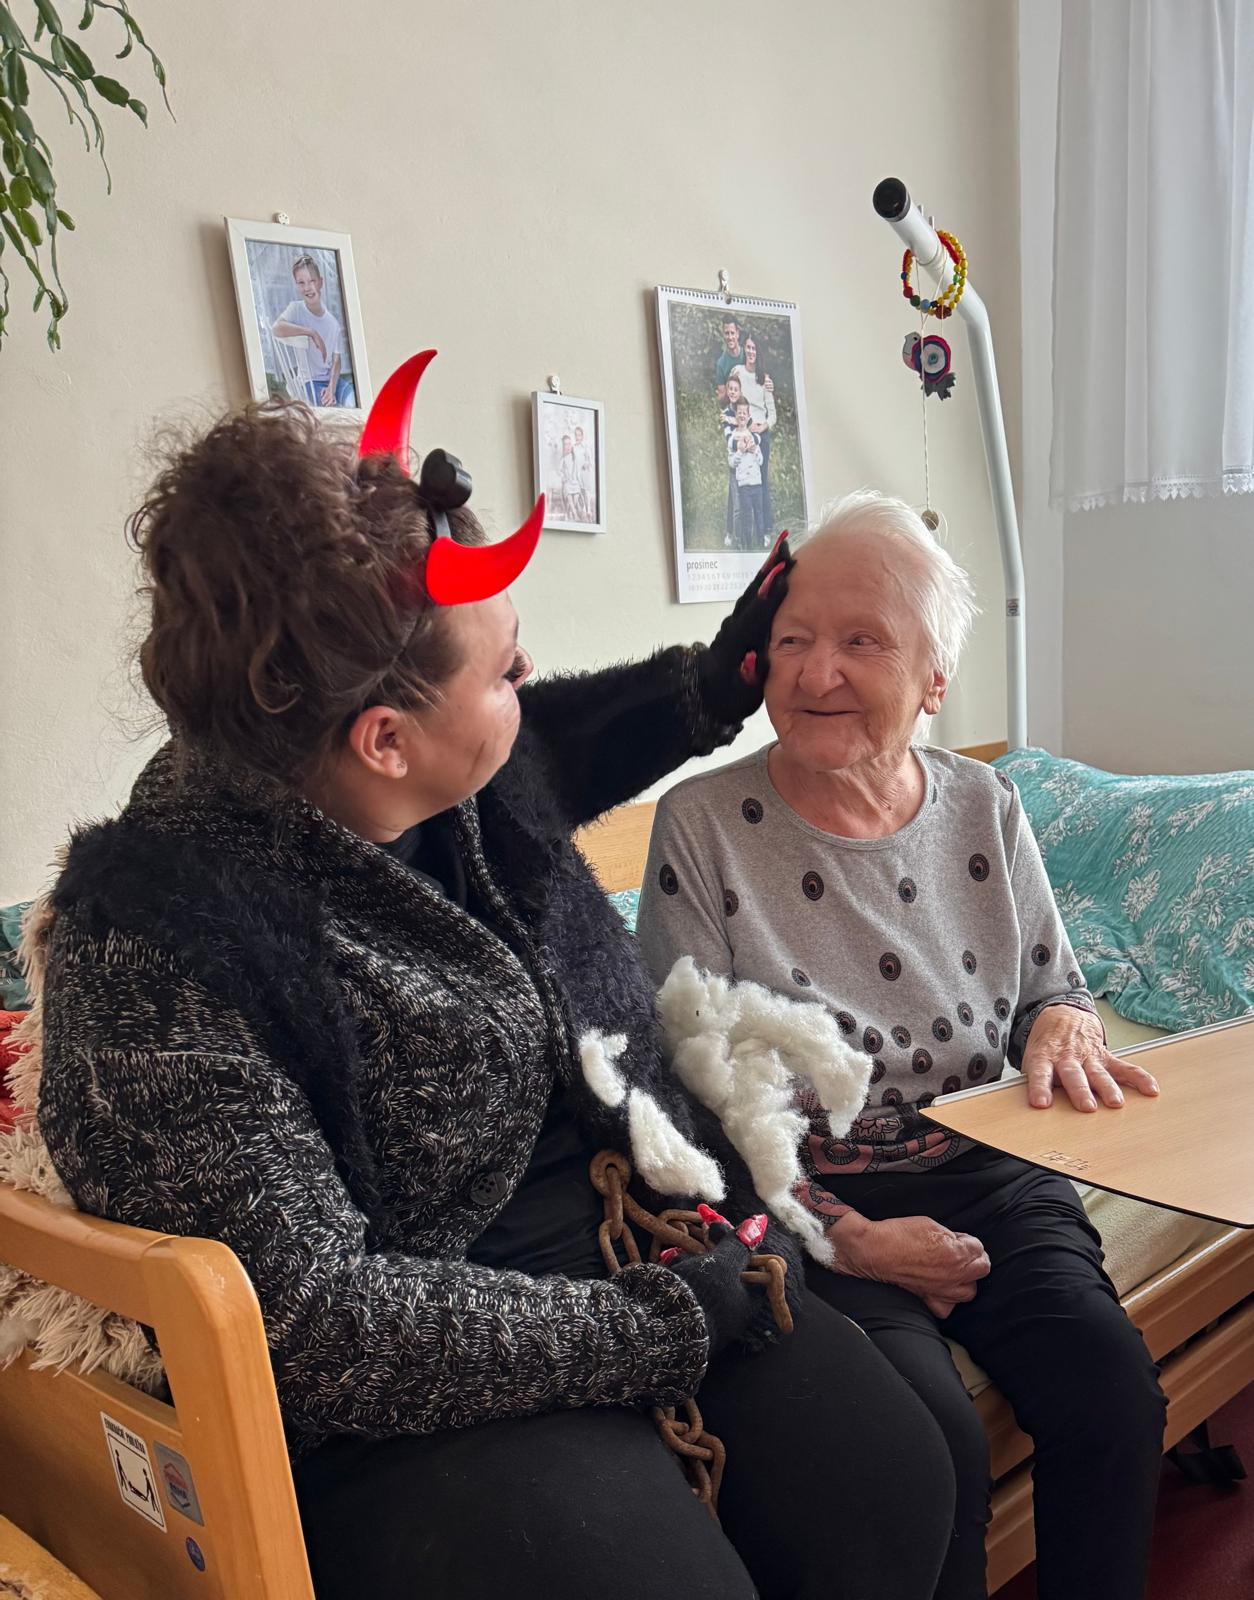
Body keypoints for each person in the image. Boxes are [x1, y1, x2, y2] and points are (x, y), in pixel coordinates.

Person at [29, 367, 956, 1600]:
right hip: (412, 1373)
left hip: (628, 1235)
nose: (528, 685)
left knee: (893, 1480)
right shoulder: (154, 946)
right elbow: (316, 1323)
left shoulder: (428, 768)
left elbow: (558, 739)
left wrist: (712, 681)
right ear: (385, 740)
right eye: (506, 672)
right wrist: (655, 1329)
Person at [637, 490, 1168, 1600]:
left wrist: (1063, 1020)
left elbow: (1052, 988)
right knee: (935, 1446)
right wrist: (855, 1242)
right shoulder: (703, 825)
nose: (816, 672)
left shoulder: (986, 804)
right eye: (793, 640)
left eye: (861, 641)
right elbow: (691, 1108)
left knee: (1112, 1390)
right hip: (813, 1197)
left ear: (934, 679)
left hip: (995, 1166)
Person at [271, 254, 355, 408]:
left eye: (312, 281)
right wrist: (311, 332)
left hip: (332, 381)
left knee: (354, 401)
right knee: (331, 409)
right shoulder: (296, 309)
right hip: (309, 382)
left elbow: (336, 361)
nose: (307, 287)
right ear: (297, 285)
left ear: (320, 282)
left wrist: (331, 388)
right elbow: (276, 329)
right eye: (301, 283)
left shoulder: (332, 323)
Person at [730, 330, 777, 540]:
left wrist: (764, 426)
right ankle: (735, 530)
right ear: (744, 349)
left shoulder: (764, 380)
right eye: (748, 347)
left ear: (758, 352)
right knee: (738, 479)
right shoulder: (738, 372)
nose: (751, 351)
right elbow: (732, 397)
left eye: (754, 348)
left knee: (761, 480)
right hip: (743, 431)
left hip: (761, 435)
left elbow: (772, 414)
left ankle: (765, 529)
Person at [727, 399, 765, 548]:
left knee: (759, 514)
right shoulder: (732, 438)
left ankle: (761, 544)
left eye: (745, 413)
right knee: (747, 516)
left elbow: (761, 461)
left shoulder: (754, 437)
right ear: (736, 415)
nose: (742, 415)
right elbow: (731, 462)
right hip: (743, 485)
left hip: (757, 483)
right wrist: (740, 451)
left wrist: (755, 451)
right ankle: (748, 546)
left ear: (749, 416)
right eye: (739, 412)